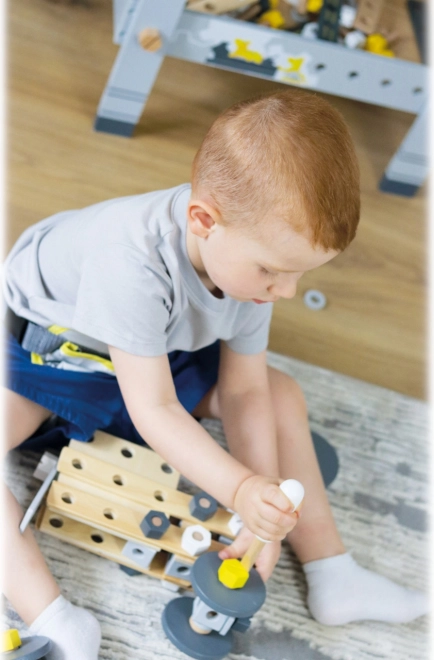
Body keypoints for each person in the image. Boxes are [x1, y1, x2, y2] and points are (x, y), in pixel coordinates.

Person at [2, 90, 428, 660]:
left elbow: (246, 390)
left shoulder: (251, 266)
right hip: (53, 357)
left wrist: (264, 509)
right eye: (273, 271)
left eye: (299, 275)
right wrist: (240, 489)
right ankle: (52, 617)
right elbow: (154, 410)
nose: (286, 291)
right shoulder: (128, 261)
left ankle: (333, 569)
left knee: (280, 394)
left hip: (154, 351)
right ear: (203, 221)